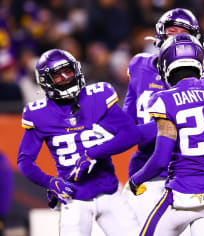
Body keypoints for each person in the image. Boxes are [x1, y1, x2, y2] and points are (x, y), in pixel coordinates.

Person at [129, 33, 204, 236]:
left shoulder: (164, 100)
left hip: (181, 196)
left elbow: (160, 160)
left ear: (165, 65)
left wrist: (136, 179)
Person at [17, 49, 140, 236]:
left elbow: (131, 134)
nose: (66, 77)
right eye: (58, 75)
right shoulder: (38, 114)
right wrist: (50, 182)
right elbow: (24, 161)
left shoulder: (97, 96)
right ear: (46, 81)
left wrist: (93, 153)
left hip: (109, 191)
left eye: (68, 70)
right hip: (74, 198)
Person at [121, 8, 201, 227]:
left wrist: (128, 136)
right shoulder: (139, 64)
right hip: (143, 164)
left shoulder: (199, 76)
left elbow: (174, 126)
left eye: (182, 32)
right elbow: (128, 115)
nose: (174, 36)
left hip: (181, 169)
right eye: (170, 31)